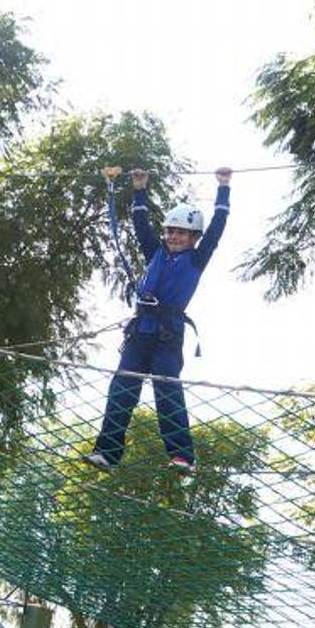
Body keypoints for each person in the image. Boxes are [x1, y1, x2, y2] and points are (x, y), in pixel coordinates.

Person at [86, 166, 233, 471]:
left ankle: (182, 456)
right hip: (140, 331)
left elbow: (217, 229)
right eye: (170, 231)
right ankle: (108, 453)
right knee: (122, 388)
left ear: (193, 237)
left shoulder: (197, 257)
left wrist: (223, 188)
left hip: (168, 333)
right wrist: (139, 188)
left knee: (167, 391)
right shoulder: (155, 251)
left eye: (180, 233)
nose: (173, 237)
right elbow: (141, 226)